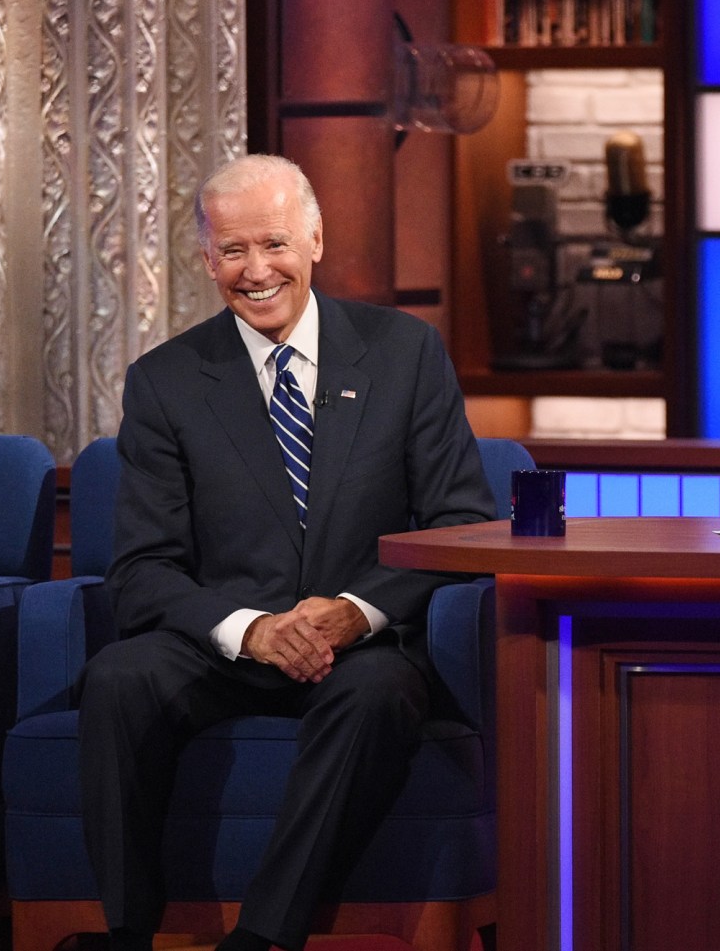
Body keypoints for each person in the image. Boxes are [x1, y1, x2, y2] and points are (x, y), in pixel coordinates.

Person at [78, 154, 496, 951]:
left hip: (362, 645)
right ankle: (126, 929)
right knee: (117, 678)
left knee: (376, 696)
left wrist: (350, 613)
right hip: (224, 643)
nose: (256, 270)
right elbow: (142, 568)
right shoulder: (164, 381)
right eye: (232, 251)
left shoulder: (405, 354)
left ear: (315, 240)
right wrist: (253, 629)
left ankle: (265, 935)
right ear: (207, 262)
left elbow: (460, 523)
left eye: (273, 243)